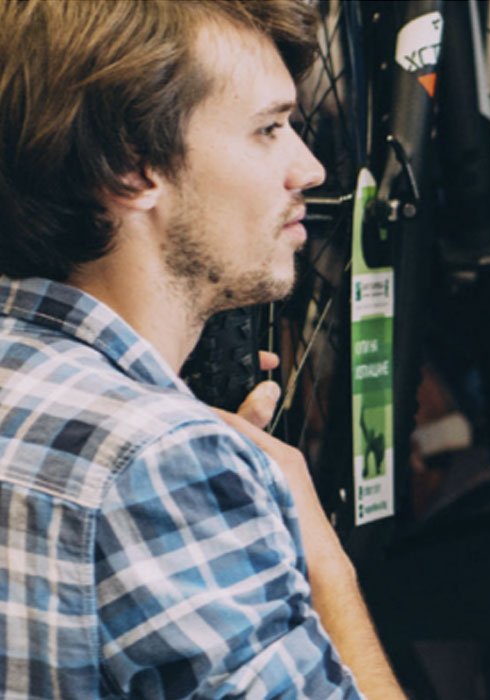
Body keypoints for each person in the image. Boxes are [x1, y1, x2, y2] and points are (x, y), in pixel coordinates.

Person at [0, 2, 402, 697]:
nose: (309, 169)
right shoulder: (156, 461)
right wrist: (322, 562)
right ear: (131, 168)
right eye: (269, 129)